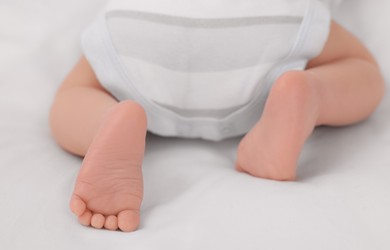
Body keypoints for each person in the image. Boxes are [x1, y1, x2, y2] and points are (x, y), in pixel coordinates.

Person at [49, 0, 385, 232]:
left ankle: (105, 121)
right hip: (273, 21)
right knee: (362, 71)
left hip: (143, 23)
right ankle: (309, 94)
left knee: (74, 96)